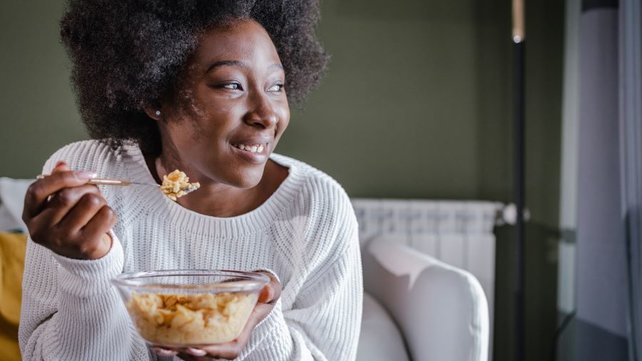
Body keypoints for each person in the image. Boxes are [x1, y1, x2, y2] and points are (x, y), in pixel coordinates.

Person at [18, 1, 363, 360]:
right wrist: (89, 270)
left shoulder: (318, 208)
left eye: (276, 86)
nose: (266, 114)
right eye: (231, 85)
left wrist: (255, 320)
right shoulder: (88, 180)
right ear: (154, 96)